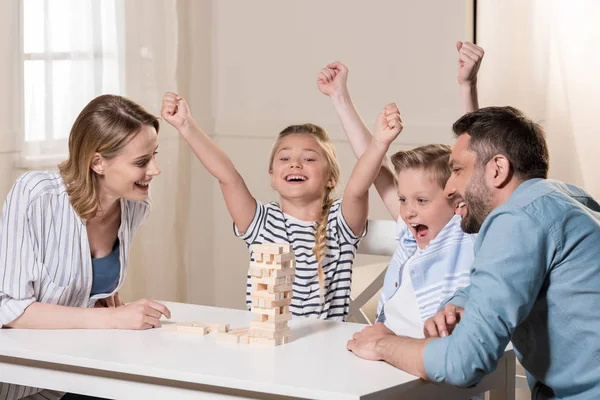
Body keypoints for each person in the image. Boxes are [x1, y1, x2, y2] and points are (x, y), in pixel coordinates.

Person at [347, 105, 600, 399]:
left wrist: (382, 344)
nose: (449, 188)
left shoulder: (517, 218)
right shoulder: (563, 197)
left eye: (457, 170)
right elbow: (522, 279)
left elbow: (464, 363)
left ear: (497, 169)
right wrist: (462, 300)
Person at [161, 92, 402, 321]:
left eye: (308, 159)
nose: (295, 164)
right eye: (284, 159)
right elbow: (228, 176)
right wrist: (186, 126)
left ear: (331, 178)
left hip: (327, 352)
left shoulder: (340, 223)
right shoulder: (262, 223)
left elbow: (358, 187)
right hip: (269, 350)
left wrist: (379, 143)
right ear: (273, 177)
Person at [0, 94, 171, 400]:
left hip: (76, 372)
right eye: (142, 161)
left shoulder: (134, 208)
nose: (155, 170)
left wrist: (99, 301)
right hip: (20, 384)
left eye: (154, 155)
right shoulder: (36, 196)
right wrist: (113, 319)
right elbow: (9, 309)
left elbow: (86, 289)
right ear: (98, 162)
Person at [317, 41, 484, 334]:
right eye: (404, 200)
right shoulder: (410, 234)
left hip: (428, 362)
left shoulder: (463, 232)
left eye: (421, 200)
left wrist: (466, 85)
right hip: (384, 349)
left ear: (458, 199)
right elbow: (375, 167)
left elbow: (473, 156)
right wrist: (339, 97)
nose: (407, 211)